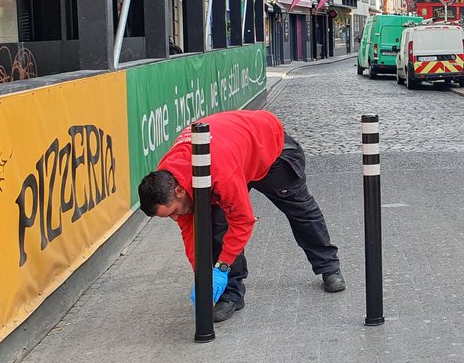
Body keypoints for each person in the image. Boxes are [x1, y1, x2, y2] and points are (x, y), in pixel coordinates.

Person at [139, 110, 344, 323]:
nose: (175, 218)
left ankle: (329, 267)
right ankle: (231, 295)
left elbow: (243, 220)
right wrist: (203, 277)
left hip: (270, 152)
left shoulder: (218, 172)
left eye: (173, 213)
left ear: (180, 191)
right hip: (234, 154)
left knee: (301, 211)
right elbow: (192, 232)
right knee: (218, 225)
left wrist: (222, 266)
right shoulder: (168, 178)